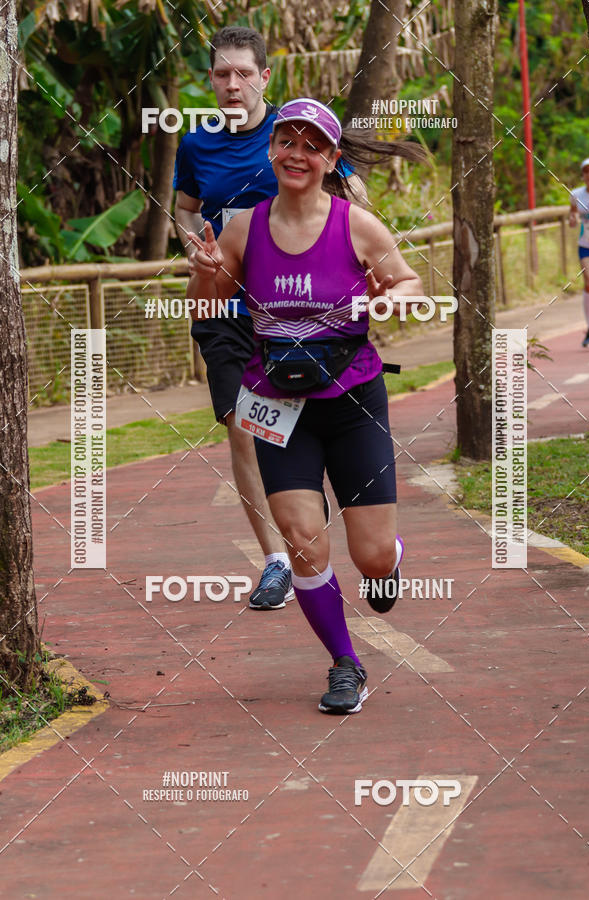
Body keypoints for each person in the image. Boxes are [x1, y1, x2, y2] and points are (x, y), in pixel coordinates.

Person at [185, 99, 425, 714]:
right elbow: (205, 306)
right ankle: (346, 663)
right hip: (277, 404)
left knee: (369, 555)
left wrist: (398, 296)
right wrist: (208, 272)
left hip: (352, 400)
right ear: (272, 149)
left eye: (312, 145)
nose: (297, 153)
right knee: (302, 541)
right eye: (287, 140)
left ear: (330, 159)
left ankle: (387, 561)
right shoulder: (244, 228)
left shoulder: (356, 224)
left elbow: (410, 280)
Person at [173, 27, 362, 611]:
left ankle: (309, 509)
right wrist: (193, 250)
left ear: (264, 77)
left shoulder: (296, 132)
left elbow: (352, 195)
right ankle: (277, 561)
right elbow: (184, 211)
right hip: (225, 307)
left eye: (243, 74)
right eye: (221, 75)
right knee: (243, 425)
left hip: (296, 308)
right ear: (211, 80)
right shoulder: (195, 144)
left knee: (305, 424)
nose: (232, 85)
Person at [569, 157, 589, 348]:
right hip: (587, 245)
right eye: (586, 171)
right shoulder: (575, 194)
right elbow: (573, 212)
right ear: (582, 175)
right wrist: (573, 219)